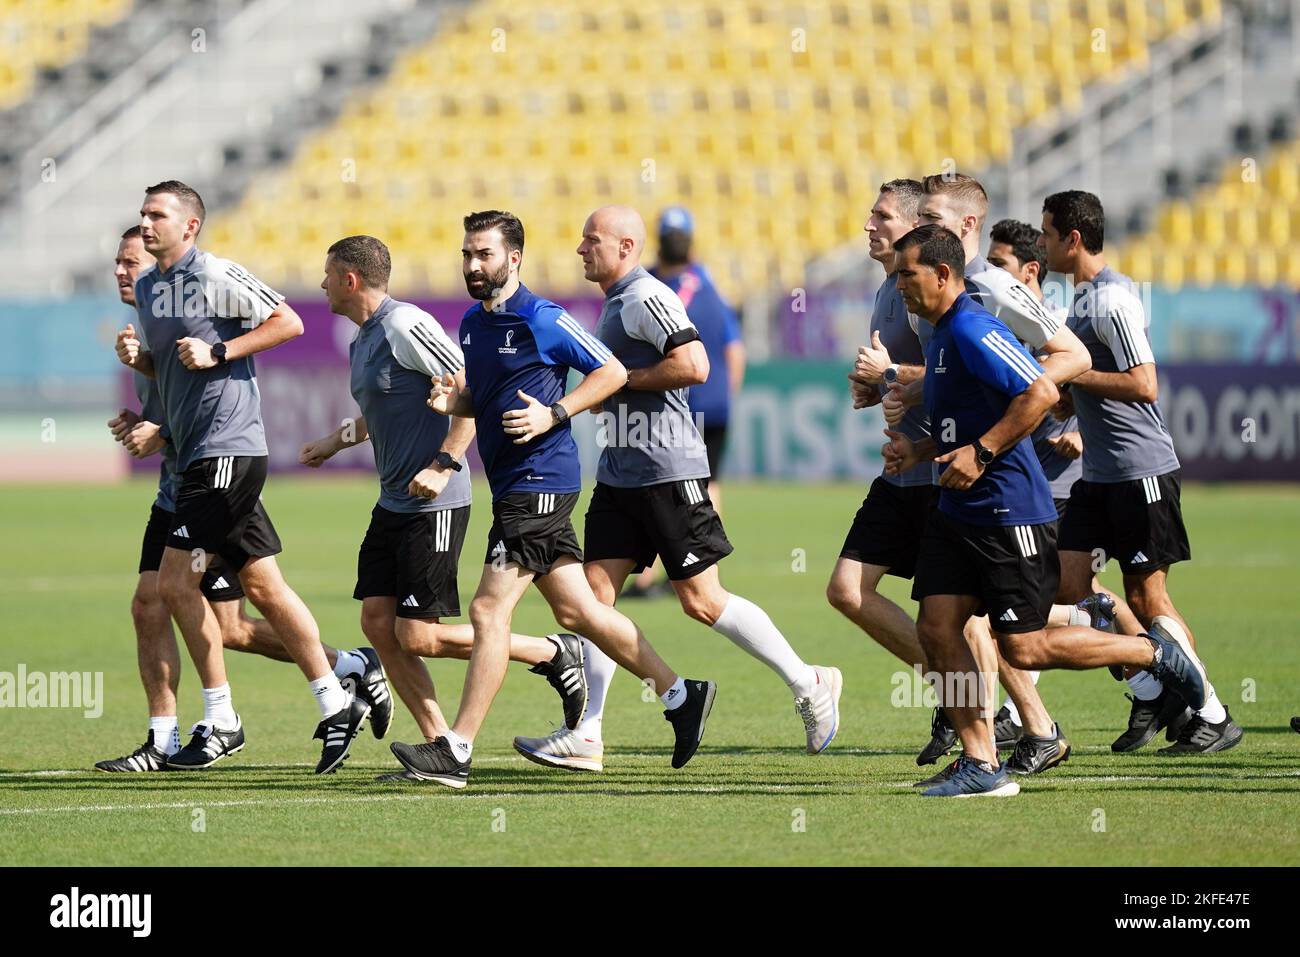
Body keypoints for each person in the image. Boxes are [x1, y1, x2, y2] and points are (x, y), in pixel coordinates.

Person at [386, 210, 716, 788]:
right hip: (514, 484)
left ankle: (456, 750)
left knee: (489, 611)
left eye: (484, 254)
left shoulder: (543, 317)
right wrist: (453, 405)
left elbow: (611, 371)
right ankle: (682, 695)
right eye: (467, 253)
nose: (472, 264)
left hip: (541, 481)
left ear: (513, 258)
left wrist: (556, 412)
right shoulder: (470, 323)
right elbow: (482, 401)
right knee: (580, 611)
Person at [882, 225, 1212, 797]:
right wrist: (921, 448)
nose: (899, 283)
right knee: (937, 629)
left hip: (1008, 513)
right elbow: (964, 421)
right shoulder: (939, 336)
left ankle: (1152, 652)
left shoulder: (973, 327)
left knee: (1024, 646)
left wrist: (983, 453)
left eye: (907, 273)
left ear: (942, 275)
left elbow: (1039, 391)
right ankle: (981, 764)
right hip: (957, 512)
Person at [512, 205, 840, 773]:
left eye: (592, 240)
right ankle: (587, 733)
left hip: (666, 470)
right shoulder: (618, 301)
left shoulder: (647, 296)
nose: (580, 248)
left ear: (627, 246)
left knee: (701, 601)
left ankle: (808, 680)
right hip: (620, 474)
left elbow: (695, 364)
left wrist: (621, 380)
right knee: (592, 603)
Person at [299, 234, 589, 781]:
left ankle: (550, 654)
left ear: (351, 279)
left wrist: (445, 464)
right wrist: (335, 441)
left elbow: (473, 394)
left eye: (328, 274)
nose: (321, 284)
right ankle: (439, 748)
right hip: (394, 501)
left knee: (419, 636)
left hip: (435, 502)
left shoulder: (406, 325)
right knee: (378, 623)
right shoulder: (364, 338)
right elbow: (388, 410)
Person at [114, 180, 379, 774]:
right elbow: (177, 371)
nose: (146, 222)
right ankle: (341, 687)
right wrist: (143, 365)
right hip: (192, 463)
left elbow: (287, 321)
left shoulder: (214, 274)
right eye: (143, 214)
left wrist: (222, 353)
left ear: (190, 226)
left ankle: (223, 719)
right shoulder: (153, 288)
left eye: (158, 215)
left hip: (227, 452)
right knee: (258, 590)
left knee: (175, 587)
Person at [1039, 190, 1243, 754]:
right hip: (1100, 477)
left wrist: (1074, 382)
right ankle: (1152, 684)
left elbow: (1143, 383)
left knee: (1150, 599)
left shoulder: (1112, 300)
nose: (1045, 244)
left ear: (1073, 239)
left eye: (1049, 234)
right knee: (1070, 583)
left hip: (1140, 471)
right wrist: (1063, 404)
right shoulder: (1081, 302)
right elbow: (1089, 383)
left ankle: (1212, 712)